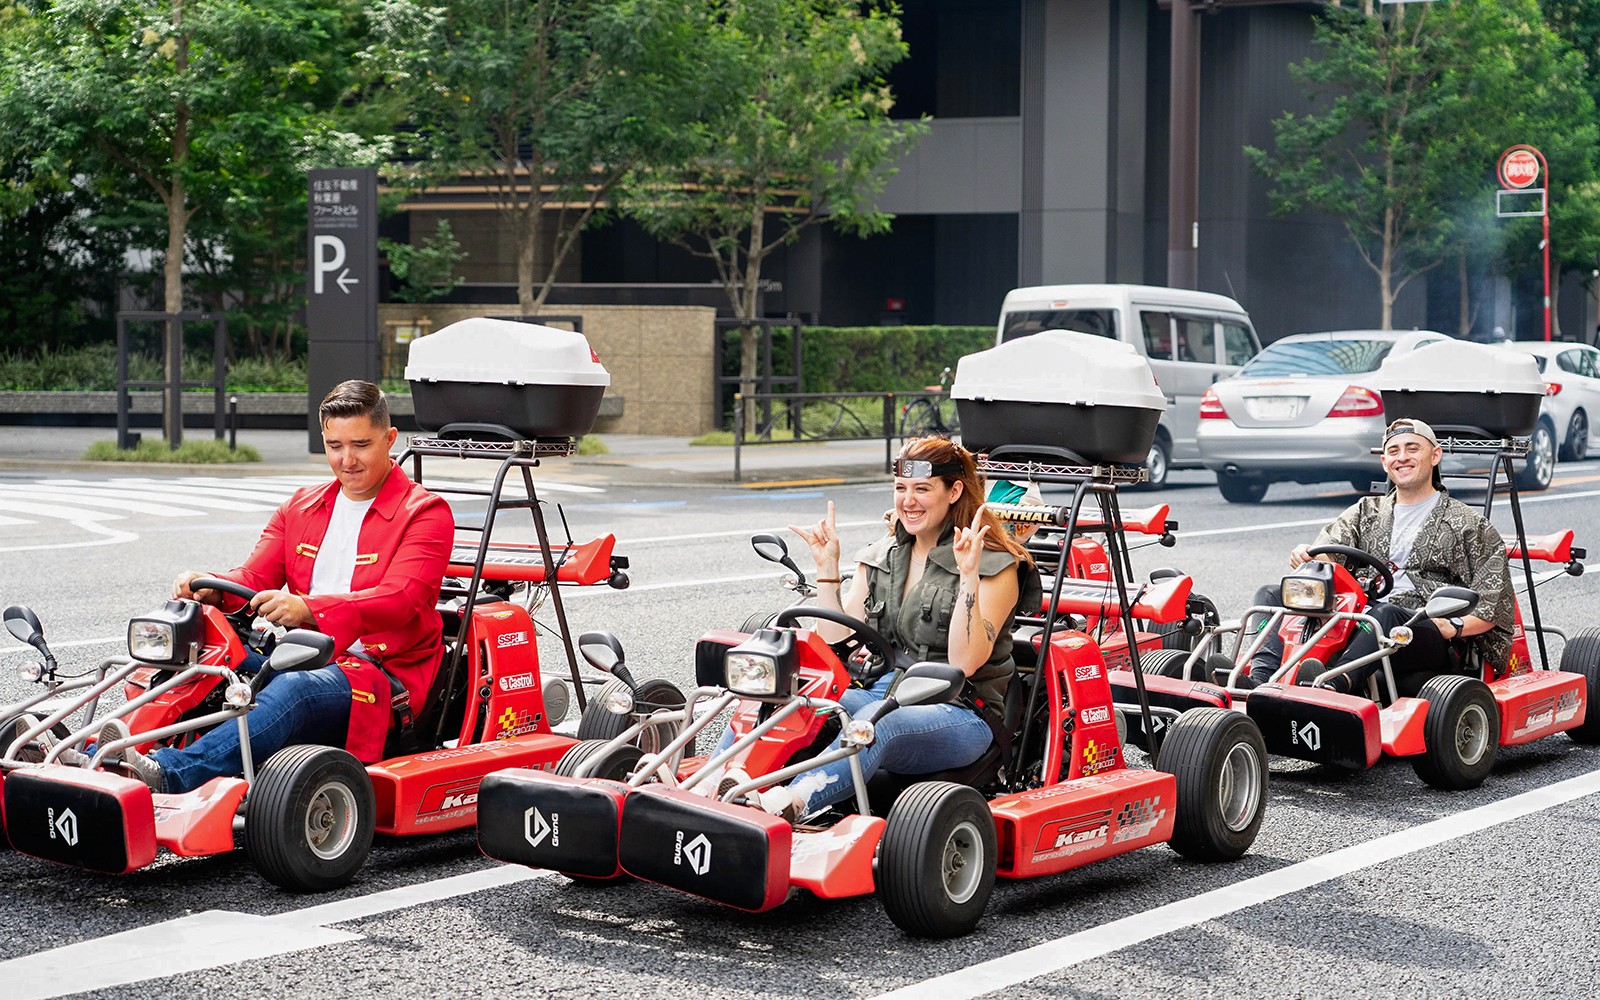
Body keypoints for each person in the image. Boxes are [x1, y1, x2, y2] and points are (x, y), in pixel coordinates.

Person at [100, 380, 454, 793]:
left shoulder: (425, 512)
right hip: (295, 655)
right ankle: (94, 756)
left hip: (380, 677)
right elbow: (253, 577)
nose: (347, 460)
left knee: (295, 687)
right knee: (198, 660)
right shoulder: (301, 505)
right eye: (334, 446)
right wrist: (213, 588)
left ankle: (165, 774)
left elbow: (401, 599)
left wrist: (309, 609)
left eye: (360, 444)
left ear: (390, 439)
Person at [733, 436, 1039, 821]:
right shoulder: (883, 555)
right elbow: (836, 641)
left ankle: (791, 804)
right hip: (881, 693)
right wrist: (828, 571)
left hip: (961, 710)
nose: (908, 501)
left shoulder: (995, 563)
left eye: (922, 489)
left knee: (877, 724)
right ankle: (727, 783)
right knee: (792, 700)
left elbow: (966, 661)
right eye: (901, 488)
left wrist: (967, 577)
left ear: (954, 491)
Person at [1244, 417, 1513, 694]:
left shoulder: (1471, 524)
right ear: (1385, 462)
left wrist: (1451, 627)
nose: (1402, 458)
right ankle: (1259, 681)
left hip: (1425, 630)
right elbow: (1328, 557)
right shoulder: (1365, 511)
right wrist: (1309, 559)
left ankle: (1334, 686)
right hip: (1358, 614)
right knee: (1271, 595)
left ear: (1435, 456)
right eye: (1394, 451)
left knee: (1386, 614)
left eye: (1412, 448)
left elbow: (1493, 604)